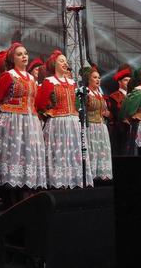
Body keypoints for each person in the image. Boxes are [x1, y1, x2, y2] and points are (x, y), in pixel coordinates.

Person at [0, 42, 46, 207]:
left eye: (26, 53)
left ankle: (21, 195)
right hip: (13, 120)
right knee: (12, 155)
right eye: (20, 54)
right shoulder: (9, 75)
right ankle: (9, 197)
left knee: (25, 157)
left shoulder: (31, 78)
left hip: (29, 120)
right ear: (12, 58)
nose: (24, 56)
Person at [35, 51, 88, 189]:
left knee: (72, 152)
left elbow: (76, 103)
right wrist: (48, 111)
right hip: (58, 123)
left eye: (65, 61)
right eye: (61, 61)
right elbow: (40, 103)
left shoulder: (72, 83)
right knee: (59, 152)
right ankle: (58, 183)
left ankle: (72, 181)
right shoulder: (49, 82)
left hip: (72, 122)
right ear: (54, 64)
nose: (65, 63)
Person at [81, 66, 112, 183]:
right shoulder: (85, 93)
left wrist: (107, 113)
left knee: (102, 151)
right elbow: (80, 109)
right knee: (92, 151)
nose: (98, 80)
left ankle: (102, 177)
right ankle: (92, 176)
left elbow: (105, 111)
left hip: (101, 126)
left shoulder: (99, 94)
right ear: (88, 79)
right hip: (91, 127)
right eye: (95, 77)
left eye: (99, 77)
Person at [107, 64, 132, 156]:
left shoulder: (134, 95)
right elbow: (116, 114)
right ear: (119, 82)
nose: (128, 82)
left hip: (133, 129)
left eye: (129, 80)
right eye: (125, 80)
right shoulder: (113, 96)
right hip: (120, 131)